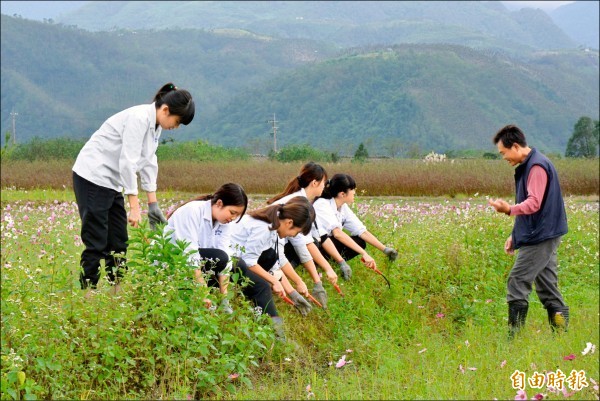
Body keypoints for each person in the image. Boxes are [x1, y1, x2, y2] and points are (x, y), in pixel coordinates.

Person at [72, 82, 195, 294]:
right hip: (92, 176)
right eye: (176, 122)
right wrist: (135, 206)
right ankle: (87, 294)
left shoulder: (155, 126)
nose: (175, 127)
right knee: (96, 240)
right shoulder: (139, 118)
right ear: (165, 110)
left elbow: (148, 161)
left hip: (112, 182)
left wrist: (153, 203)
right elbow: (127, 162)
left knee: (119, 240)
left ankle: (115, 292)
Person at [488, 124, 569, 338]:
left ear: (515, 146)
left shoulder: (536, 167)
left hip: (540, 236)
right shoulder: (531, 164)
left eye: (503, 153)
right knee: (547, 287)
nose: (503, 158)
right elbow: (532, 210)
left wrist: (508, 210)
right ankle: (561, 336)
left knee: (517, 281)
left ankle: (513, 338)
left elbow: (533, 203)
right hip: (543, 232)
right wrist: (515, 236)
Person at [229, 196, 315, 341]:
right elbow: (250, 261)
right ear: (289, 223)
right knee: (262, 286)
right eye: (296, 232)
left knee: (271, 255)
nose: (293, 235)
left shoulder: (274, 225)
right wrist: (274, 281)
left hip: (240, 259)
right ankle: (277, 335)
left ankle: (251, 299)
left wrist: (291, 291)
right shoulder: (264, 228)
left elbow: (276, 261)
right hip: (230, 260)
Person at [164, 183, 248, 314]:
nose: (233, 218)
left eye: (237, 215)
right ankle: (195, 289)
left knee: (237, 264)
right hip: (170, 261)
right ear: (219, 203)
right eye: (232, 212)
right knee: (220, 258)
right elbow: (189, 254)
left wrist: (224, 298)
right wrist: (203, 293)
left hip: (194, 264)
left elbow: (225, 254)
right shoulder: (192, 211)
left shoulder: (223, 222)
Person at [267, 162, 338, 308]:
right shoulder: (299, 205)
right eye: (323, 183)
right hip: (269, 246)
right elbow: (302, 244)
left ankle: (282, 276)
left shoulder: (304, 201)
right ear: (314, 183)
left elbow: (312, 239)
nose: (325, 187)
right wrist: (312, 282)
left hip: (277, 246)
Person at [313, 173, 398, 280]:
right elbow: (338, 234)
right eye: (352, 190)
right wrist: (364, 254)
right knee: (346, 242)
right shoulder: (322, 204)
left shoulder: (342, 207)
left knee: (360, 241)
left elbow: (361, 230)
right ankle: (326, 264)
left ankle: (334, 264)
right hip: (316, 246)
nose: (354, 193)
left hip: (328, 243)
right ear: (342, 194)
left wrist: (385, 249)